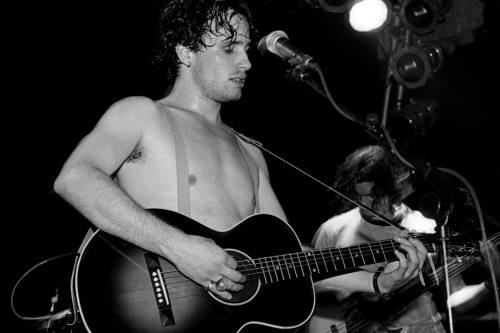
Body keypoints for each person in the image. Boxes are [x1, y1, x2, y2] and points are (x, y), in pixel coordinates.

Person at [53, 0, 428, 330]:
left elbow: (288, 262)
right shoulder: (141, 114)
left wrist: (374, 281)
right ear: (186, 52)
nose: (246, 62)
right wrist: (179, 248)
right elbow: (75, 178)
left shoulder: (250, 152)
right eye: (229, 47)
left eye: (246, 48)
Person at [304, 145, 498, 333]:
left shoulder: (427, 228)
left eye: (373, 196)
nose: (364, 203)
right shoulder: (332, 230)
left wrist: (490, 283)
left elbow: (455, 301)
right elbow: (309, 292)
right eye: (359, 195)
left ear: (393, 190)